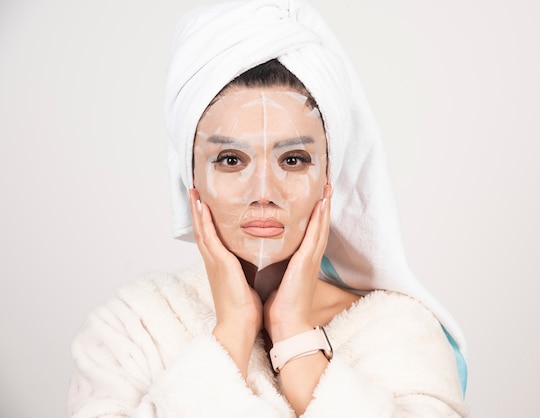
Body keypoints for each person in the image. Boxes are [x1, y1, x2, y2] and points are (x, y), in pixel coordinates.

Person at [67, 0, 468, 416]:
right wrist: (233, 331)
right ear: (191, 178)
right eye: (230, 160)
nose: (263, 192)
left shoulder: (399, 331)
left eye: (293, 160)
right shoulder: (133, 327)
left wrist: (294, 335)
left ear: (330, 176)